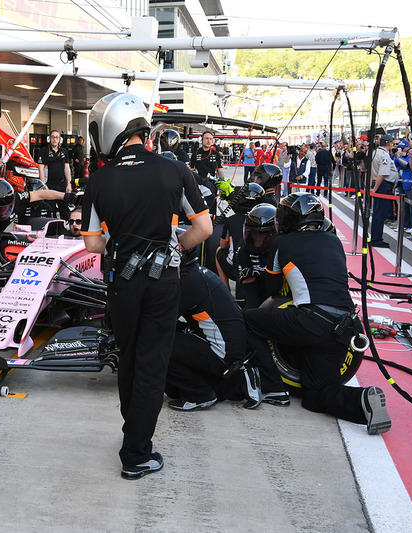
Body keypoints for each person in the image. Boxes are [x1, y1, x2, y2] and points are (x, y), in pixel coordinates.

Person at [81, 92, 212, 480]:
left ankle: (132, 432)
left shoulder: (99, 180)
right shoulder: (175, 171)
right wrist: (174, 247)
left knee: (129, 358)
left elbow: (91, 243)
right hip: (162, 283)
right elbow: (203, 228)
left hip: (121, 282)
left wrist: (121, 242)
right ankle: (136, 452)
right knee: (153, 363)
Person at [244, 192, 391, 434]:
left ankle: (272, 387)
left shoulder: (283, 243)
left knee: (249, 319)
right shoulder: (334, 242)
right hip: (347, 326)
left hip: (311, 320)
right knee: (314, 395)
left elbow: (271, 289)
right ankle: (362, 400)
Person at [166, 249, 260, 412]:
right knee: (174, 389)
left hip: (222, 351)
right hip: (227, 347)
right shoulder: (196, 273)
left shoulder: (187, 281)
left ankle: (199, 395)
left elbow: (162, 321)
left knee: (158, 345)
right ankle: (239, 381)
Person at [36, 130, 72, 219]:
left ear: (60, 139)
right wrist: (44, 185)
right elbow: (41, 169)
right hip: (49, 184)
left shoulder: (64, 151)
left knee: (64, 209)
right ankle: (52, 228)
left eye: (57, 137)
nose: (54, 139)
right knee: (50, 209)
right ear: (49, 138)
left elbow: (67, 168)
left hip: (61, 184)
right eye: (52, 137)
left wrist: (69, 184)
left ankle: (66, 227)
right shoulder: (43, 151)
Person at [369, 134, 398, 248]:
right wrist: (375, 189)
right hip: (383, 186)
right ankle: (377, 239)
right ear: (389, 144)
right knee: (380, 213)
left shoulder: (375, 152)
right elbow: (382, 174)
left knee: (377, 212)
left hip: (379, 184)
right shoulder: (384, 155)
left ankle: (375, 237)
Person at [393, 139, 412, 235]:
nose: (401, 149)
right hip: (401, 182)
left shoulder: (411, 156)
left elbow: (407, 165)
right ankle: (404, 224)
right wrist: (397, 156)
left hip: (409, 182)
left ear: (407, 147)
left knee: (411, 205)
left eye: (403, 148)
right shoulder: (401, 156)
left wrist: (399, 157)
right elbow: (395, 163)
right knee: (403, 205)